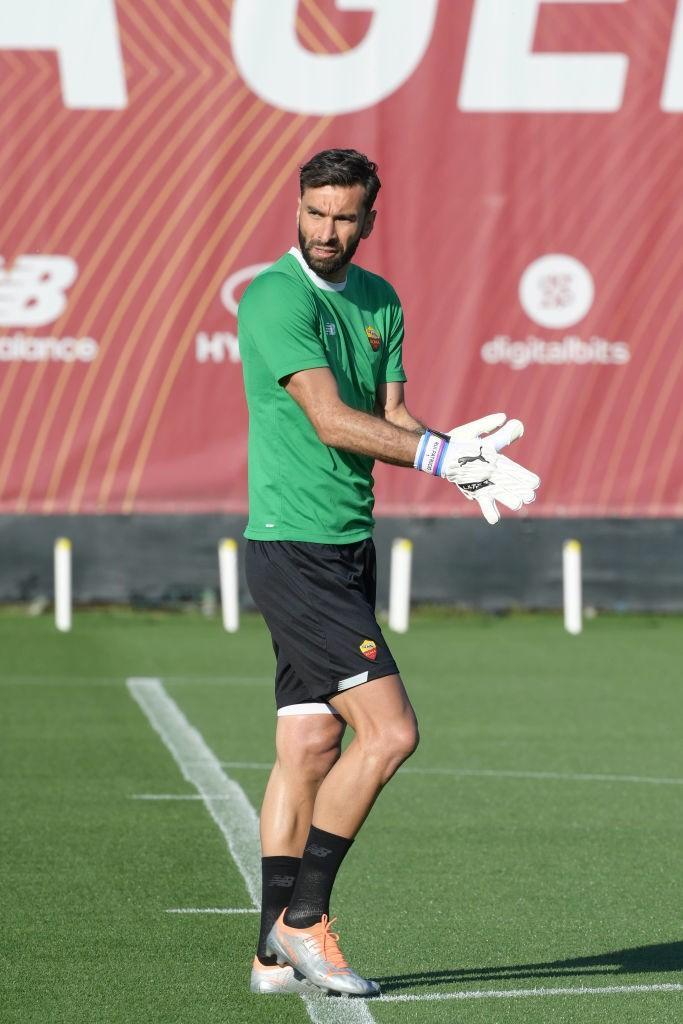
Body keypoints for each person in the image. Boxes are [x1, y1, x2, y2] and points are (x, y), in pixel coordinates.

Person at [238, 148, 539, 997]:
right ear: (296, 207)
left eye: (344, 217)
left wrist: (459, 451)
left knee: (307, 744)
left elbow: (392, 419)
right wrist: (443, 458)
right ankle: (304, 923)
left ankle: (268, 954)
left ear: (370, 218)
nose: (326, 231)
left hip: (347, 547)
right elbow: (333, 421)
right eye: (314, 213)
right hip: (293, 549)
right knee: (392, 733)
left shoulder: (379, 300)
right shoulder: (273, 297)